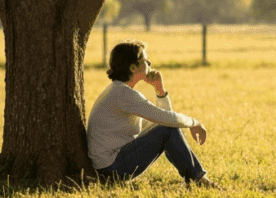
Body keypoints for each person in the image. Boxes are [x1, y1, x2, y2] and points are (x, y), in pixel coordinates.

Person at [87, 40, 219, 189]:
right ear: (132, 67)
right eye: (144, 60)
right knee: (166, 128)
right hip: (112, 168)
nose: (149, 62)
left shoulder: (119, 90)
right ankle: (197, 179)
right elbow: (167, 121)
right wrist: (194, 122)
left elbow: (165, 120)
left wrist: (159, 90)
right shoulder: (123, 94)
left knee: (166, 127)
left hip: (111, 165)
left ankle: (196, 177)